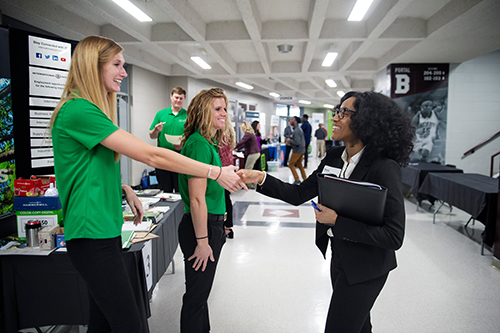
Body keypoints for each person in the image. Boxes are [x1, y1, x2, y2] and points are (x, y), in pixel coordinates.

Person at [49, 36, 246, 333]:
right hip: (90, 235)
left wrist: (123, 189)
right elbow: (151, 154)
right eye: (116, 64)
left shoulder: (88, 110)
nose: (123, 72)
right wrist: (214, 172)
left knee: (103, 324)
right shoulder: (78, 109)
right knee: (131, 324)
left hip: (103, 231)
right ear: (93, 65)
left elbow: (86, 171)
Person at [237, 91, 415, 333]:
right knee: (360, 326)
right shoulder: (334, 157)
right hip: (339, 256)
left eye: (344, 113)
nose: (336, 118)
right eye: (337, 111)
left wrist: (337, 221)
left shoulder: (384, 168)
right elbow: (299, 193)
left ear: (366, 120)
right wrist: (261, 178)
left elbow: (394, 236)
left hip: (366, 267)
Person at [177, 87, 231, 333]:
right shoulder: (198, 144)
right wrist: (203, 241)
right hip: (202, 227)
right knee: (196, 297)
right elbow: (197, 199)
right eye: (218, 109)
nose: (224, 114)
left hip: (211, 224)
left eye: (225, 109)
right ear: (202, 112)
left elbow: (210, 188)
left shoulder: (207, 142)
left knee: (201, 293)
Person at [149, 86, 187, 192]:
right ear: (171, 97)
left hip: (180, 156)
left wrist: (183, 144)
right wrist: (156, 130)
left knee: (180, 189)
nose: (178, 100)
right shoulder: (161, 114)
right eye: (176, 97)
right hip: (163, 156)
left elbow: (192, 137)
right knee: (165, 189)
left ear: (184, 99)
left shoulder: (188, 116)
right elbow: (152, 135)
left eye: (181, 98)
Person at [219, 124, 236, 239]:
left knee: (223, 199)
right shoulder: (229, 131)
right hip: (228, 169)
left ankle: (226, 227)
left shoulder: (220, 135)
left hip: (222, 171)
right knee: (226, 198)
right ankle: (228, 226)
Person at [235, 121, 261, 187]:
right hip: (256, 153)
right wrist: (237, 148)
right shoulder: (251, 134)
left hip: (253, 154)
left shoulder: (247, 134)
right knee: (252, 169)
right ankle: (254, 184)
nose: (241, 130)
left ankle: (249, 185)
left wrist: (233, 147)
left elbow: (241, 142)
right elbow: (244, 144)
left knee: (248, 169)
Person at [286, 116, 307, 184]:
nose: (290, 120)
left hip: (297, 150)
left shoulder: (296, 130)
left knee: (291, 164)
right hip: (302, 150)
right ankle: (305, 178)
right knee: (299, 165)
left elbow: (297, 142)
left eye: (292, 119)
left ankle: (297, 179)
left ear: (295, 122)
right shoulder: (298, 129)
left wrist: (290, 140)